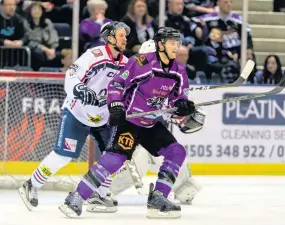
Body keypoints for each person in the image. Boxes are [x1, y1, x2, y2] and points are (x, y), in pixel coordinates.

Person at [59, 27, 196, 219]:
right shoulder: (141, 63)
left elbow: (177, 99)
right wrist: (115, 105)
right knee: (115, 160)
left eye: (178, 43)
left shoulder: (179, 71)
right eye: (173, 43)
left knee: (176, 152)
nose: (177, 47)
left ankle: (158, 198)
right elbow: (116, 84)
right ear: (160, 44)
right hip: (129, 122)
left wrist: (183, 106)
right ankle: (76, 198)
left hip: (150, 124)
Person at [18, 21, 130, 213]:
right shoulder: (94, 56)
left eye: (125, 35)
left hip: (103, 117)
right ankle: (31, 184)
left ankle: (98, 195)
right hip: (78, 112)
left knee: (112, 156)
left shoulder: (126, 64)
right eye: (121, 35)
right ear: (110, 37)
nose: (125, 38)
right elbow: (71, 75)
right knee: (63, 156)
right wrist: (79, 88)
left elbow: (131, 90)